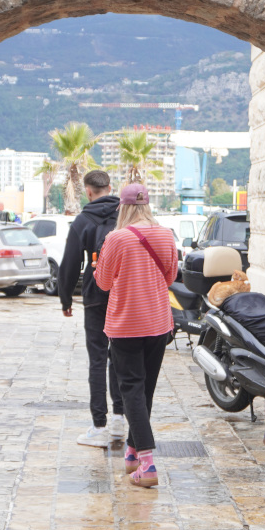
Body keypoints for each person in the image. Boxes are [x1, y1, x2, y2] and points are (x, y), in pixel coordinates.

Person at [94, 184, 177, 488]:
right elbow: (170, 276)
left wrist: (100, 269)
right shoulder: (167, 234)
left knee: (130, 389)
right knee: (145, 391)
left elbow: (102, 283)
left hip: (127, 323)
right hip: (158, 321)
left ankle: (148, 462)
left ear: (123, 207)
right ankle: (131, 454)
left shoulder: (116, 238)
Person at [58, 169, 126, 448]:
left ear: (88, 191)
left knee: (98, 359)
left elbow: (70, 265)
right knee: (120, 357)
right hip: (124, 295)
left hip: (96, 296)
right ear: (110, 188)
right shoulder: (125, 217)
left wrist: (66, 300)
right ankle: (120, 418)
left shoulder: (82, 221)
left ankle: (99, 425)